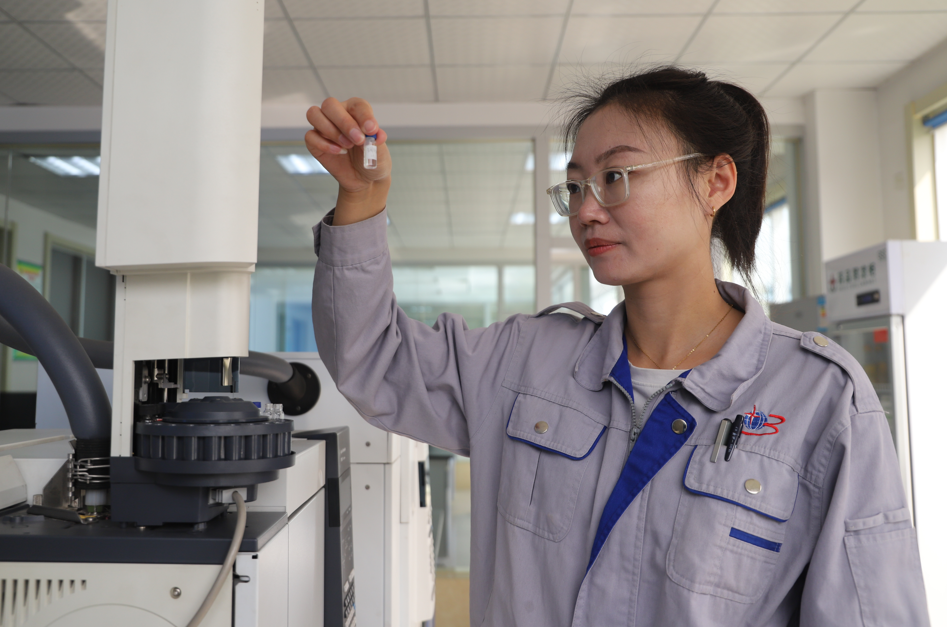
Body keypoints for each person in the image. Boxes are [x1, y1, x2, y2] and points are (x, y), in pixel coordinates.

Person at [303, 66, 929, 627]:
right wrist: (362, 199)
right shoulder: (524, 360)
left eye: (617, 177)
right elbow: (375, 357)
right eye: (576, 187)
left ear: (715, 182)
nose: (586, 211)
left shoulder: (820, 399)